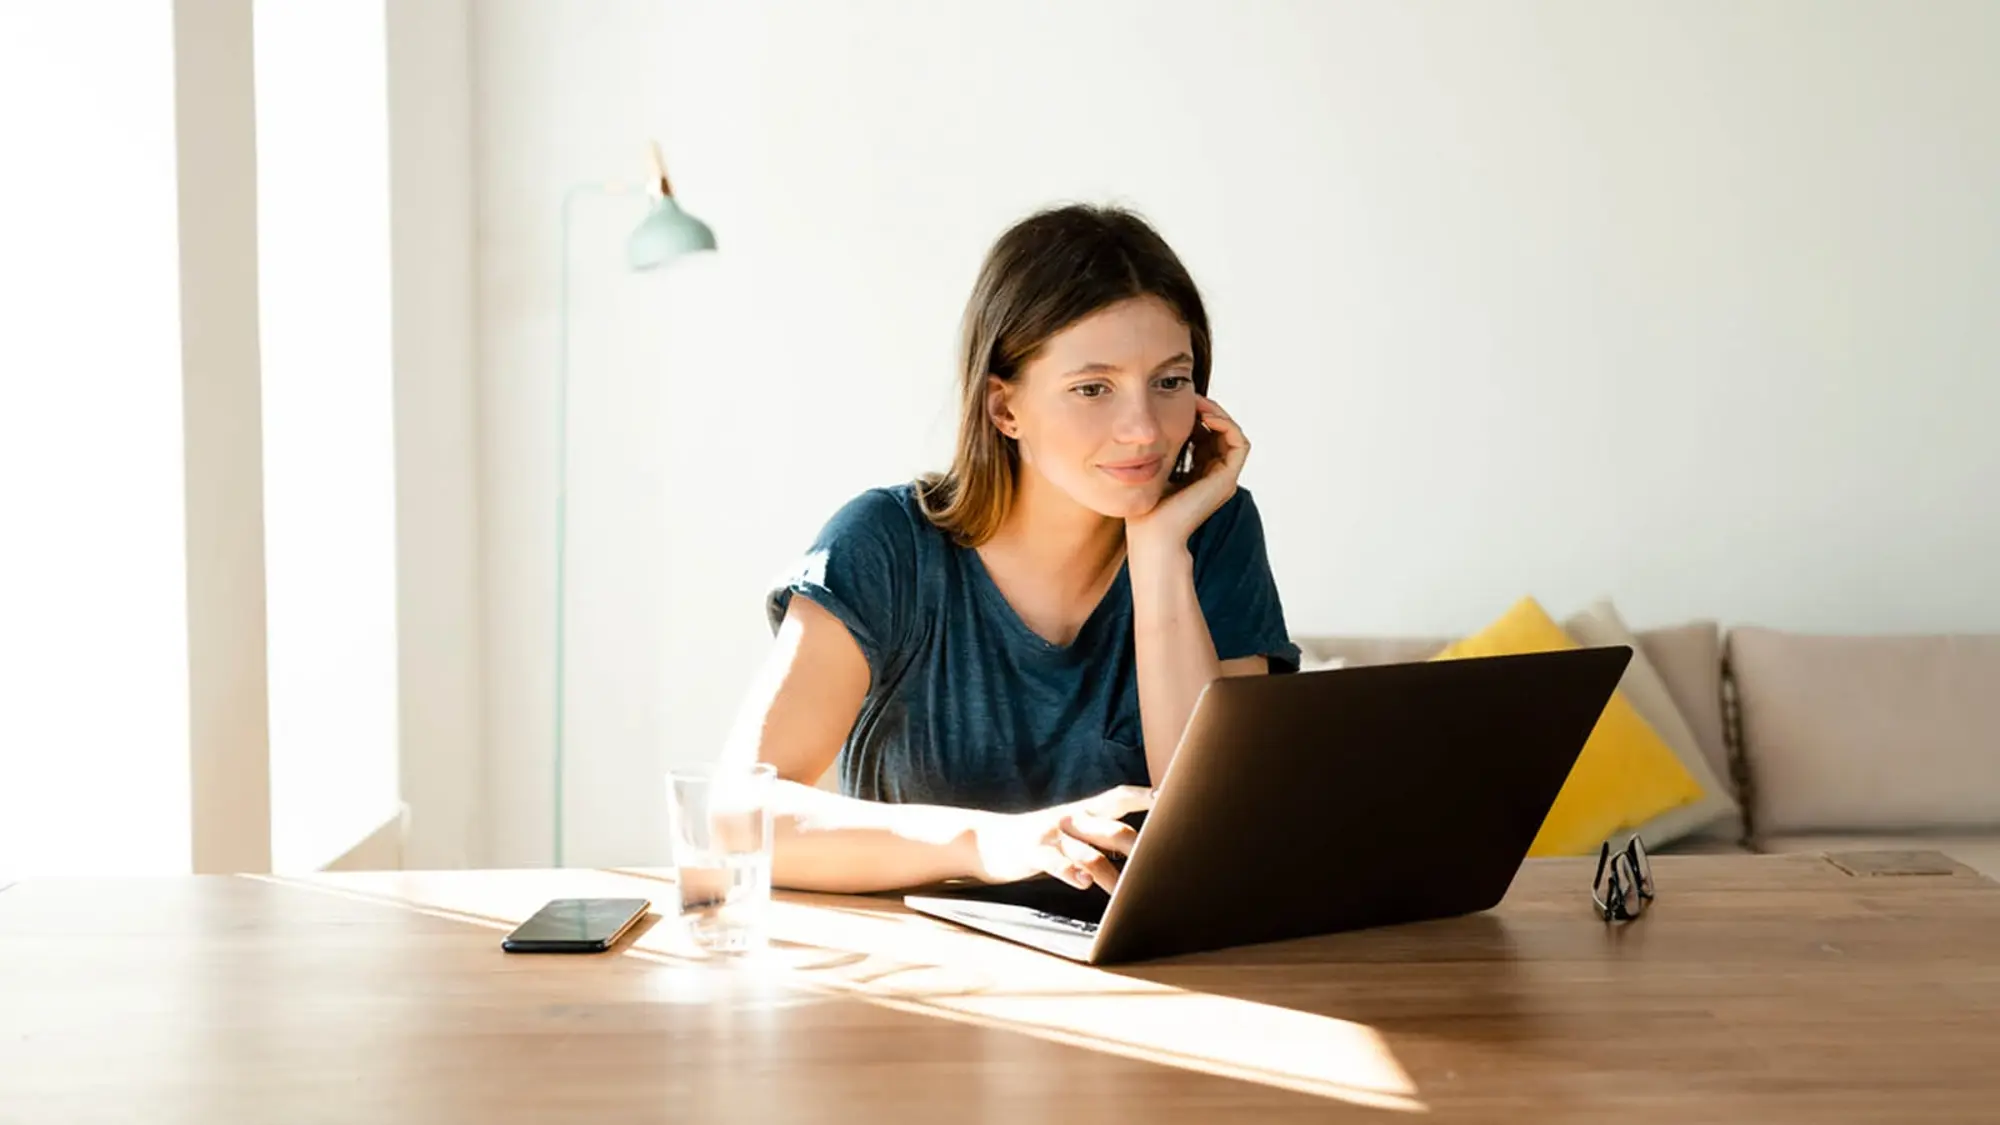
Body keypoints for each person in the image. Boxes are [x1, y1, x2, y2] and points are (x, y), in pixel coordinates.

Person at [721, 203, 1299, 896]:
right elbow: (738, 814)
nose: (1144, 428)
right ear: (1005, 408)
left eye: (1170, 381)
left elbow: (1219, 831)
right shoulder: (885, 544)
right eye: (1093, 388)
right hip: (918, 977)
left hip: (1142, 979)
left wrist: (1159, 552)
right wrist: (988, 840)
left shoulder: (1212, 532)